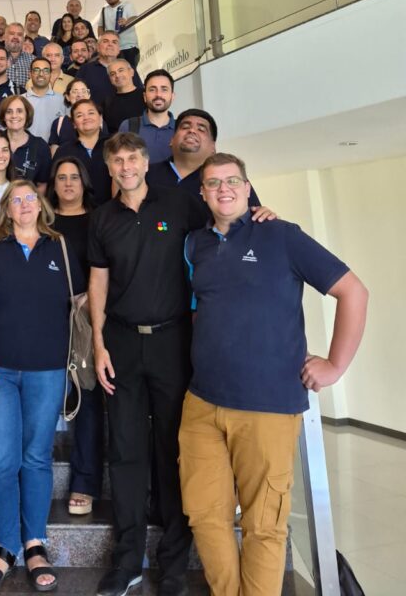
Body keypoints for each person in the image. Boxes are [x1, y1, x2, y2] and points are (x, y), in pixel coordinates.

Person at [88, 134, 276, 596]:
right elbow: (98, 279)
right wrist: (96, 341)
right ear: (110, 167)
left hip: (175, 342)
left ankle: (173, 562)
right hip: (121, 344)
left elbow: (226, 218)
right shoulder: (102, 218)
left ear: (145, 162)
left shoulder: (180, 203)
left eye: (134, 157)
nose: (127, 166)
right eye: (118, 160)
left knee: (176, 451)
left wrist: (262, 214)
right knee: (126, 452)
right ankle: (128, 558)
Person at [179, 153, 368, 596]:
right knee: (205, 515)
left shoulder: (282, 235)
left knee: (265, 526)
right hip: (202, 403)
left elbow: (353, 291)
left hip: (268, 406)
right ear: (203, 194)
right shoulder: (194, 246)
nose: (223, 189)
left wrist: (335, 365)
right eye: (213, 183)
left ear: (247, 189)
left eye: (232, 181)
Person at [0, 180, 85, 593]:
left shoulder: (60, 248)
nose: (25, 204)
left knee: (35, 458)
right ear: (7, 209)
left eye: (31, 197)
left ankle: (34, 544)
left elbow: (82, 303)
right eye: (17, 199)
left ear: (41, 205)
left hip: (47, 371)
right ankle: (5, 546)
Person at [46, 158, 104, 518]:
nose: (68, 184)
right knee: (43, 395)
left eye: (74, 178)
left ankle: (85, 482)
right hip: (46, 320)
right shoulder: (42, 219)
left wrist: (93, 300)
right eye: (61, 178)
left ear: (84, 182)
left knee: (88, 399)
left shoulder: (100, 218)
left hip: (87, 319)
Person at [55, 99, 112, 205]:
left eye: (91, 113)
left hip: (111, 212)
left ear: (100, 118)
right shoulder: (64, 151)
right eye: (79, 115)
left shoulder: (114, 145)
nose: (86, 118)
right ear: (74, 124)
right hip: (76, 211)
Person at [0, 94, 51, 193]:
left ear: (27, 114)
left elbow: (42, 185)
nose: (14, 116)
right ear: (3, 116)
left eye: (19, 111)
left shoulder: (40, 146)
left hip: (26, 205)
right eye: (9, 112)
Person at [118, 70, 176, 165]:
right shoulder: (129, 126)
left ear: (172, 96)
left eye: (164, 89)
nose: (158, 95)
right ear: (145, 96)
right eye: (152, 89)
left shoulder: (181, 129)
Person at [76, 33, 141, 108]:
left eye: (114, 42)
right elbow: (77, 97)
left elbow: (139, 93)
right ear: (98, 47)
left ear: (119, 49)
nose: (110, 44)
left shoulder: (129, 68)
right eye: (105, 41)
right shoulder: (85, 70)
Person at [25, 57, 67, 141]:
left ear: (50, 74)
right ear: (30, 74)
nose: (41, 74)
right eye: (36, 70)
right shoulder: (21, 101)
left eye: (46, 70)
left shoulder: (62, 100)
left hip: (55, 151)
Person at [97, 0, 139, 68]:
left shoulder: (127, 5)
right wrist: (101, 39)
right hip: (112, 48)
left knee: (130, 72)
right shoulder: (104, 10)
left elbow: (134, 17)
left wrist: (126, 22)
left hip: (129, 46)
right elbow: (100, 26)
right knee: (114, 71)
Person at [48, 78, 91, 152]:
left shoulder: (98, 121)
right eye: (75, 91)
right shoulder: (59, 123)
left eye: (83, 91)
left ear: (89, 95)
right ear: (67, 97)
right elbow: (54, 155)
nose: (80, 95)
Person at [102, 60, 144, 134]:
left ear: (131, 72)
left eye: (121, 70)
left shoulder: (146, 95)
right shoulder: (106, 103)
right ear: (110, 79)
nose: (117, 75)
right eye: (112, 74)